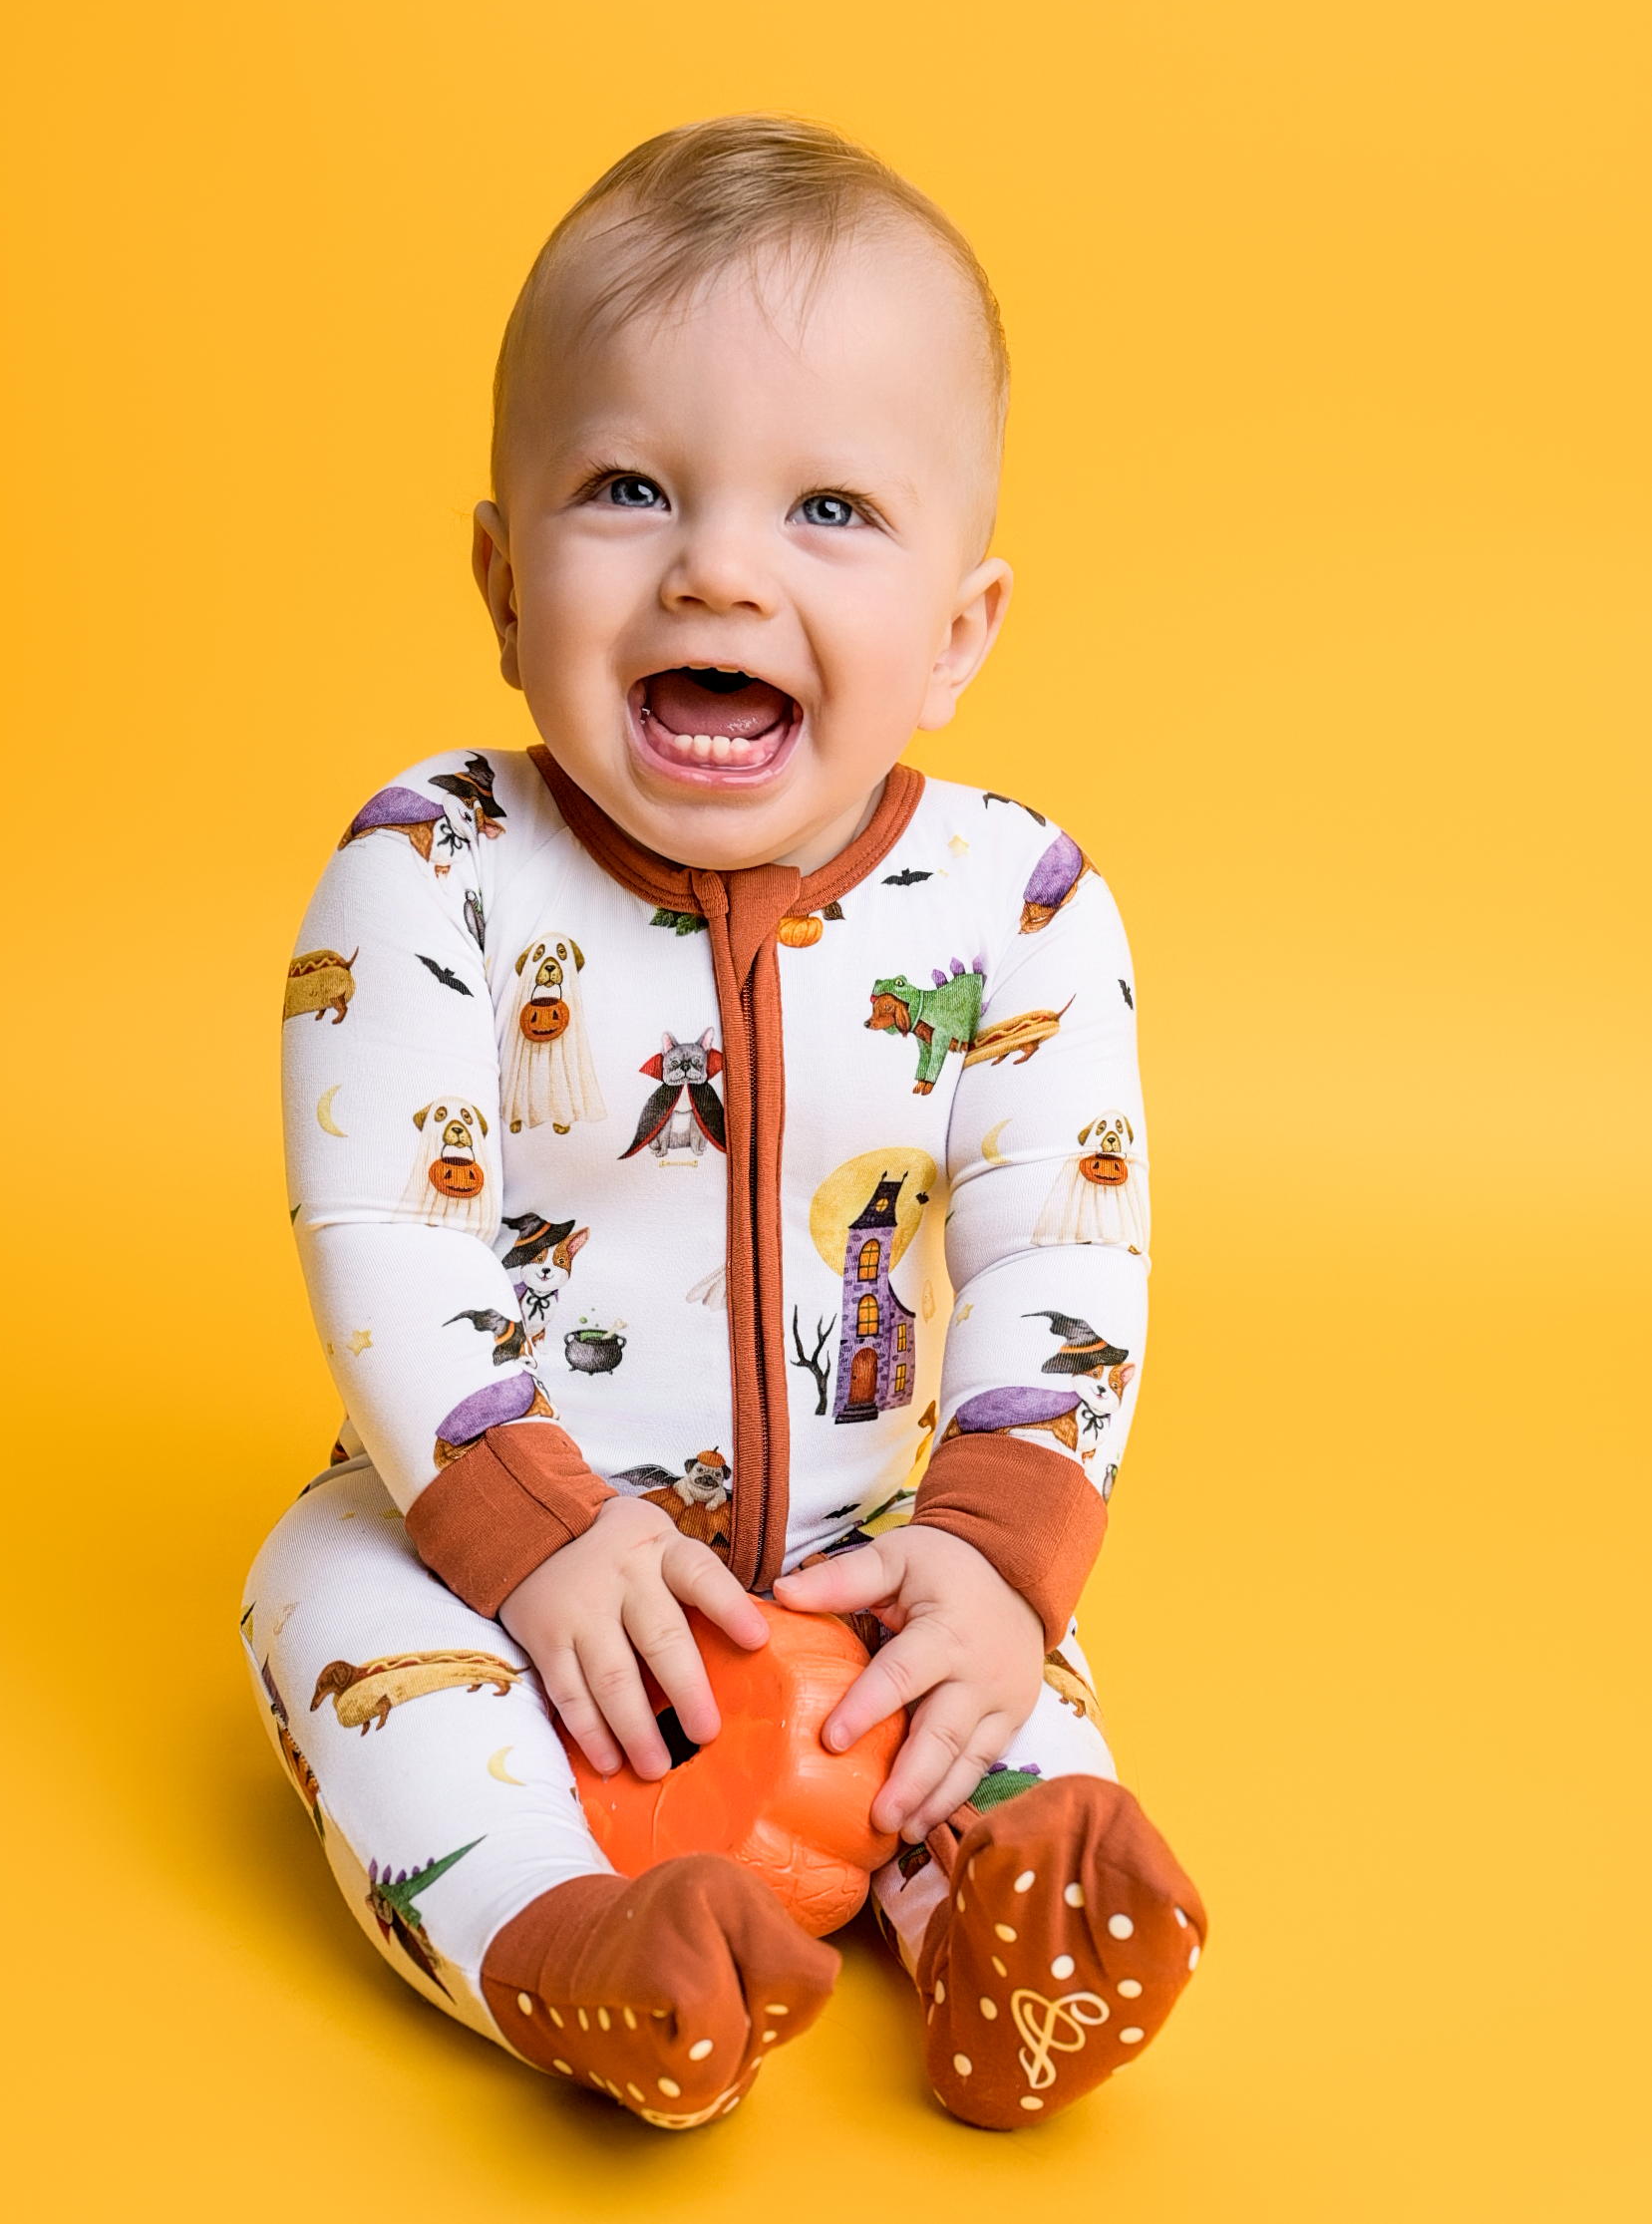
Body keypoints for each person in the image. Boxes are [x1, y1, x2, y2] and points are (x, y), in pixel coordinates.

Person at [242, 110, 1206, 2133]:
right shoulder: (432, 875)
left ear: (961, 627)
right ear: (505, 582)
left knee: (977, 1685)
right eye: (625, 487)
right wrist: (525, 1533)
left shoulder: (1018, 908)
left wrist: (997, 1560)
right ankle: (565, 1944)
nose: (717, 564)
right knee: (332, 1620)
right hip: (494, 1536)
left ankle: (1008, 1911)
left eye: (832, 508)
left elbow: (1064, 1248)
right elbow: (389, 1237)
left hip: (861, 1539)